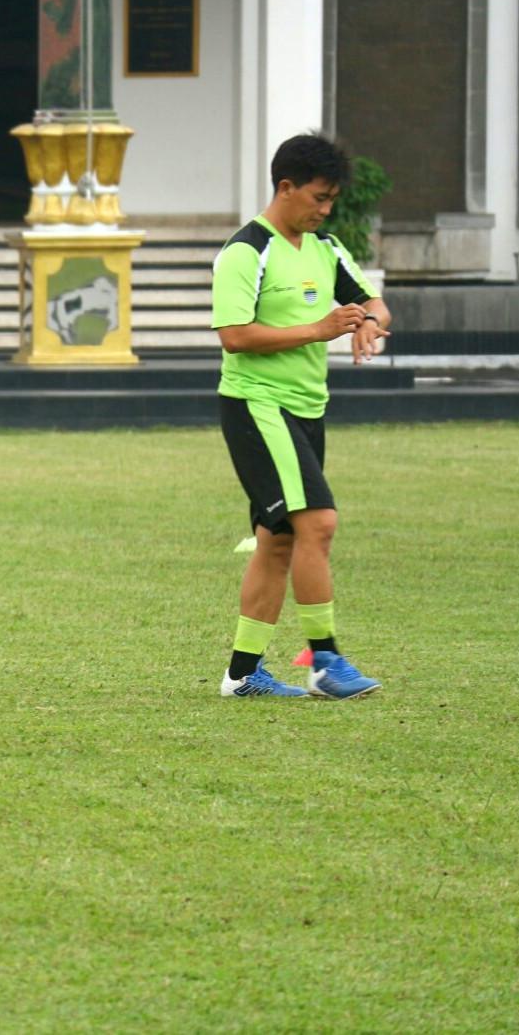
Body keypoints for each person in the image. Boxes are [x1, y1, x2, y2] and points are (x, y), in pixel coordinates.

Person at [212, 133, 390, 700]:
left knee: (279, 539)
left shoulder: (326, 247)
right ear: (285, 187)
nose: (325, 209)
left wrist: (368, 322)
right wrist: (319, 329)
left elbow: (373, 300)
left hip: (307, 409)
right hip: (258, 407)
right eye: (318, 197)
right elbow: (236, 336)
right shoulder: (246, 252)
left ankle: (242, 676)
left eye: (332, 199)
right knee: (319, 523)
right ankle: (326, 663)